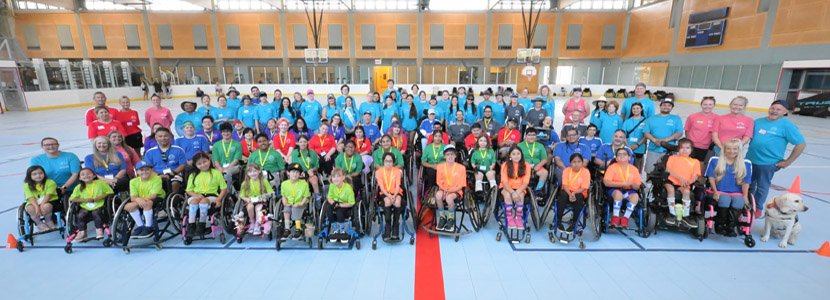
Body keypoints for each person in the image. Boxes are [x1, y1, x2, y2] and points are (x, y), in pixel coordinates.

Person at [747, 100, 806, 215]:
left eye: (778, 109)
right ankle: (747, 205)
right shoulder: (758, 122)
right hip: (750, 160)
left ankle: (757, 208)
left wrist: (788, 162)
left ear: (785, 112)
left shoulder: (787, 126)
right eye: (773, 108)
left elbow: (801, 144)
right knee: (747, 185)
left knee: (762, 187)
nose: (774, 111)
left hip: (768, 163)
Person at [705, 138, 752, 236]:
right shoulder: (715, 161)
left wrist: (745, 196)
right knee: (725, 200)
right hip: (720, 190)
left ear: (739, 150)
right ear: (724, 149)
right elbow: (711, 178)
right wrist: (715, 191)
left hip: (736, 192)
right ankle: (719, 225)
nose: (732, 151)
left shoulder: (746, 164)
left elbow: (746, 182)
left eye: (735, 149)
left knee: (739, 202)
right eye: (728, 149)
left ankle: (730, 226)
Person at [184, 152, 228, 238]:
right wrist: (196, 195)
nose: (203, 165)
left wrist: (219, 199)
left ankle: (202, 224)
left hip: (211, 196)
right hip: (196, 195)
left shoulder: (216, 173)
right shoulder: (193, 175)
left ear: (209, 160)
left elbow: (224, 188)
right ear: (195, 165)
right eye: (199, 164)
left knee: (204, 201)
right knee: (193, 201)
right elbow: (188, 190)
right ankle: (191, 225)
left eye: (205, 162)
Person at [663, 139, 701, 226]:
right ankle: (671, 213)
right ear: (678, 149)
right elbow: (668, 170)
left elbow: (695, 176)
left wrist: (688, 182)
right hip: (671, 181)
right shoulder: (672, 158)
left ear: (691, 150)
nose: (684, 150)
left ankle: (686, 215)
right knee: (670, 189)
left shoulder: (695, 162)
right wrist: (680, 178)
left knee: (687, 192)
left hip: (684, 184)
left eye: (687, 148)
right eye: (682, 148)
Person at [603, 148, 642, 229]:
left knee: (635, 196)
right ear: (616, 158)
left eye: (624, 154)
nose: (622, 156)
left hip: (629, 190)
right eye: (619, 155)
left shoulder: (634, 169)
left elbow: (637, 186)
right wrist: (623, 183)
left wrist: (632, 183)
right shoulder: (612, 167)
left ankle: (625, 219)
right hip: (614, 190)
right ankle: (615, 218)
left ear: (629, 158)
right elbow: (606, 182)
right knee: (618, 194)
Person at [643, 98, 683, 175]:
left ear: (671, 107)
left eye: (669, 105)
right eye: (664, 105)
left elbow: (679, 133)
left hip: (669, 151)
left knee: (668, 173)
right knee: (650, 171)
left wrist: (665, 141)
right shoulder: (651, 119)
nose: (666, 107)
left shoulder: (676, 119)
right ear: (660, 106)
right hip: (653, 150)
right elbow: (646, 133)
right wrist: (655, 140)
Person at [126, 161, 165, 237]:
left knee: (147, 203)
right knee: (128, 206)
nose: (144, 172)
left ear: (151, 170)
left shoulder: (157, 179)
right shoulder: (133, 181)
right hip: (140, 199)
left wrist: (139, 201)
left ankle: (148, 227)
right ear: (137, 172)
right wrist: (138, 200)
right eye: (141, 170)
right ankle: (141, 226)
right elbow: (133, 197)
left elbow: (153, 195)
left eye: (147, 169)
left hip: (157, 198)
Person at [143, 128, 187, 195]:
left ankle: (173, 201)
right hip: (156, 175)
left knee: (175, 183)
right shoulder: (149, 152)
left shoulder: (179, 150)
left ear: (169, 136)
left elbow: (183, 164)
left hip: (174, 174)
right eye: (160, 136)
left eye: (165, 136)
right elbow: (147, 168)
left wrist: (172, 173)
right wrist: (159, 175)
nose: (163, 138)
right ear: (156, 137)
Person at [555, 153, 590, 233]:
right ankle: (558, 221)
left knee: (578, 197)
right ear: (570, 163)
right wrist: (570, 194)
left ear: (582, 162)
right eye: (574, 162)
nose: (576, 164)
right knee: (562, 195)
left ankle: (574, 223)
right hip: (567, 191)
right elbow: (565, 184)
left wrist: (574, 193)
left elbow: (584, 187)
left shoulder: (586, 172)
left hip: (579, 193)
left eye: (579, 162)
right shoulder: (567, 170)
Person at [434, 145, 466, 232]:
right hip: (443, 189)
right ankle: (442, 217)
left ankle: (450, 219)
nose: (450, 156)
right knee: (438, 195)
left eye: (452, 154)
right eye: (448, 154)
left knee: (449, 198)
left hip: (456, 190)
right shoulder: (440, 167)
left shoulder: (461, 168)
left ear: (455, 155)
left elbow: (461, 185)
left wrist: (449, 191)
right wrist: (444, 190)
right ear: (444, 156)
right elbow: (439, 182)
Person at [500, 146, 531, 230]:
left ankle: (518, 218)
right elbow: (504, 182)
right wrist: (513, 192)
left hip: (520, 187)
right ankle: (509, 217)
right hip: (507, 187)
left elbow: (526, 182)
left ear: (521, 155)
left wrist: (517, 192)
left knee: (520, 195)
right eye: (513, 154)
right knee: (507, 195)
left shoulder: (526, 165)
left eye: (518, 154)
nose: (516, 156)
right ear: (510, 155)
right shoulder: (505, 165)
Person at [239, 163, 274, 236]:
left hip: (261, 201)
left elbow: (271, 192)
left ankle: (257, 224)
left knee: (258, 207)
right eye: (250, 172)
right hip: (250, 201)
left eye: (255, 171)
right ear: (247, 173)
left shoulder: (264, 181)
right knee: (250, 206)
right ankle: (252, 222)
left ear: (259, 171)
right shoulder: (245, 183)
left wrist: (264, 196)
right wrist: (247, 199)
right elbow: (241, 195)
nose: (253, 173)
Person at [22, 165, 60, 231]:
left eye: (40, 173)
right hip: (34, 202)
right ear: (29, 176)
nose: (38, 176)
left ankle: (48, 221)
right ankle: (39, 223)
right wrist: (37, 207)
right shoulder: (26, 185)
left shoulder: (50, 182)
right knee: (30, 208)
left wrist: (41, 205)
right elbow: (30, 197)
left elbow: (48, 195)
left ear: (44, 174)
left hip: (49, 201)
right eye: (34, 174)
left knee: (46, 206)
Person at [376, 153, 404, 240]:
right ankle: (387, 226)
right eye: (386, 161)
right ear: (383, 162)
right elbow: (381, 187)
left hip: (396, 191)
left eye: (390, 161)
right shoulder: (379, 172)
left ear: (393, 162)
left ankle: (396, 226)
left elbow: (398, 185)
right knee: (387, 201)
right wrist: (389, 196)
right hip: (384, 192)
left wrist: (394, 195)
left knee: (397, 201)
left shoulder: (397, 171)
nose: (388, 163)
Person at [280, 163, 310, 239]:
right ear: (288, 173)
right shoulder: (284, 184)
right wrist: (285, 203)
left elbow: (306, 196)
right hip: (289, 203)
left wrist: (300, 203)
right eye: (293, 172)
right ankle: (287, 229)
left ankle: (298, 229)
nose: (295, 174)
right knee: (286, 210)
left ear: (300, 175)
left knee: (295, 208)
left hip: (301, 204)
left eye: (297, 172)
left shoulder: (304, 184)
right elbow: (283, 196)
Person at [326, 168, 355, 242]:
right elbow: (329, 197)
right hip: (335, 203)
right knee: (328, 209)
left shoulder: (348, 188)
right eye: (334, 177)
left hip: (345, 205)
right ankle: (334, 227)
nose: (335, 179)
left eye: (338, 176)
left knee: (339, 211)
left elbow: (351, 203)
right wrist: (333, 203)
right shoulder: (332, 186)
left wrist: (341, 205)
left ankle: (342, 229)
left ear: (343, 177)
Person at [518, 128, 550, 195]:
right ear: (525, 136)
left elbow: (544, 159)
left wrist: (538, 166)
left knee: (545, 172)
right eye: (529, 135)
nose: (531, 137)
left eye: (533, 135)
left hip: (536, 167)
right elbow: (516, 159)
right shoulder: (519, 146)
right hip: (523, 167)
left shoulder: (540, 146)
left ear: (536, 136)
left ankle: (538, 189)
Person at [685, 96, 717, 162]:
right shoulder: (692, 117)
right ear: (701, 105)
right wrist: (690, 143)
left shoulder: (717, 118)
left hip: (705, 147)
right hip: (691, 146)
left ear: (714, 105)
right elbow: (687, 130)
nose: (707, 106)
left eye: (710, 104)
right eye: (705, 104)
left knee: (700, 165)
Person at [212, 123, 243, 191]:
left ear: (231, 132)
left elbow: (236, 160)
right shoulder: (216, 145)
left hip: (234, 167)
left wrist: (226, 168)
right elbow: (216, 160)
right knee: (212, 175)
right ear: (221, 133)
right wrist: (220, 168)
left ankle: (228, 192)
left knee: (226, 173)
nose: (226, 133)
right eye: (224, 131)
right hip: (220, 167)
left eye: (228, 131)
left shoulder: (237, 144)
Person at [291, 136, 322, 200]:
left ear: (308, 142)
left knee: (314, 181)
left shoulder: (312, 152)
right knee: (304, 183)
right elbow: (294, 165)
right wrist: (300, 172)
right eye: (301, 142)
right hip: (300, 173)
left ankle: (318, 197)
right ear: (298, 143)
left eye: (305, 142)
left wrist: (312, 170)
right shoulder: (294, 153)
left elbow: (317, 166)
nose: (303, 144)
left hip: (311, 172)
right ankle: (305, 198)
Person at [622, 102, 648, 170]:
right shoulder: (627, 121)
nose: (635, 110)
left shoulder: (646, 121)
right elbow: (623, 135)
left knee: (636, 169)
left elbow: (646, 136)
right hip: (628, 148)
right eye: (633, 108)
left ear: (641, 109)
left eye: (637, 108)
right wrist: (628, 146)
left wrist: (637, 145)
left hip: (639, 148)